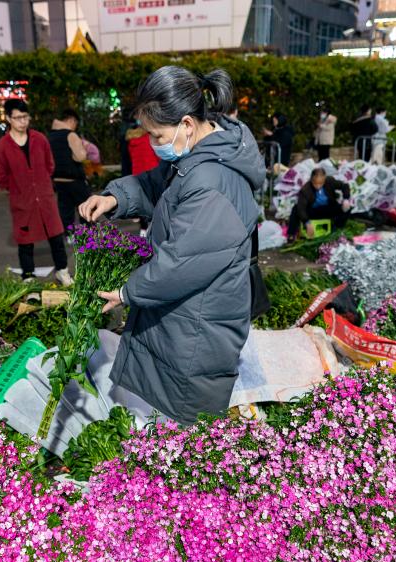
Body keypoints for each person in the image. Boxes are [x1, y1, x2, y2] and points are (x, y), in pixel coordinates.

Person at [77, 66, 265, 425]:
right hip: (189, 317)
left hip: (199, 323)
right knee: (172, 416)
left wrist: (127, 291)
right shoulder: (197, 156)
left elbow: (180, 263)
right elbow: (158, 186)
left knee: (187, 425)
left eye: (157, 135)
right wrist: (115, 198)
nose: (152, 143)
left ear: (187, 124)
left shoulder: (213, 180)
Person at [0, 98, 71, 286]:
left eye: (25, 117)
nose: (23, 122)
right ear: (8, 118)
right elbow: (0, 177)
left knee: (56, 237)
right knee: (25, 241)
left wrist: (41, 183)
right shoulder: (2, 146)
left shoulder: (39, 139)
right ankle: (28, 276)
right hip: (22, 200)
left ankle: (63, 271)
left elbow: (50, 165)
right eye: (18, 118)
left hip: (45, 197)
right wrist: (18, 188)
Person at [48, 108, 91, 228]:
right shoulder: (70, 135)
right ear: (71, 120)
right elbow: (80, 157)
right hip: (75, 179)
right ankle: (88, 234)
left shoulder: (50, 136)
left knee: (65, 209)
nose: (75, 126)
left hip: (58, 179)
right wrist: (84, 148)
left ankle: (69, 234)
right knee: (85, 206)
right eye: (76, 123)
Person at [288, 167, 350, 242]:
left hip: (328, 209)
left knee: (346, 208)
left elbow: (344, 185)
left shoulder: (329, 181)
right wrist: (307, 222)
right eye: (315, 184)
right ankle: (291, 234)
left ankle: (337, 228)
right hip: (313, 211)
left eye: (320, 184)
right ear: (311, 180)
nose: (318, 186)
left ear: (324, 179)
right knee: (296, 209)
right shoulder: (305, 189)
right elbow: (301, 208)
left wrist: (346, 198)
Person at [124, 119, 161, 237]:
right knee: (156, 201)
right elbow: (157, 155)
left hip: (138, 175)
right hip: (153, 173)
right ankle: (155, 228)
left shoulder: (131, 142)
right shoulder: (149, 139)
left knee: (144, 202)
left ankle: (143, 229)